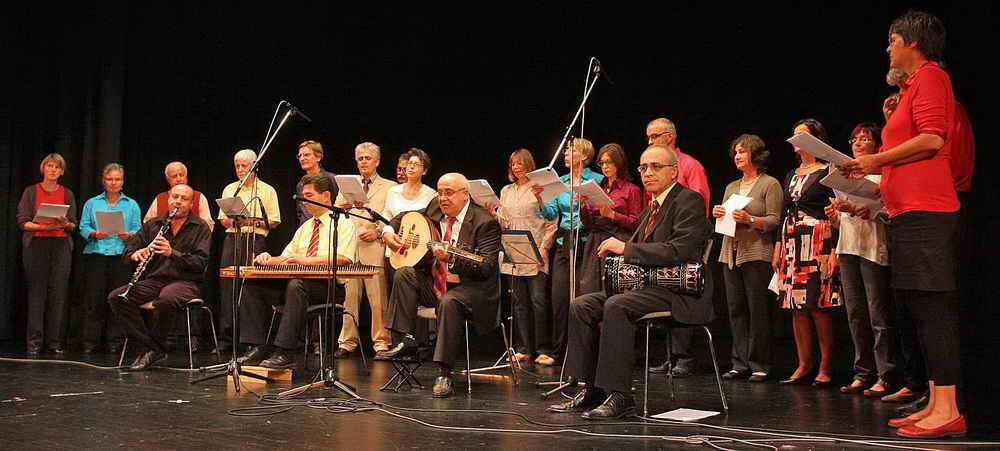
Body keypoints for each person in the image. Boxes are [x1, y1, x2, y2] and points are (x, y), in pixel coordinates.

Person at [840, 11, 965, 438]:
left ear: (912, 42)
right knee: (918, 309)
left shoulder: (931, 77)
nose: (888, 48)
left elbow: (933, 138)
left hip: (929, 212)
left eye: (892, 41)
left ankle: (947, 408)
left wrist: (874, 160)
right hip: (907, 213)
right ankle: (934, 401)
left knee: (933, 309)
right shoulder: (911, 88)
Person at [548, 145, 711, 419]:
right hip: (646, 286)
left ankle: (620, 395)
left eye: (655, 167)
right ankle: (591, 388)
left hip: (678, 289)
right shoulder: (652, 207)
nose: (648, 173)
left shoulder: (688, 201)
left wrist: (625, 249)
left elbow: (678, 250)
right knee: (582, 305)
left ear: (674, 171)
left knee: (617, 305)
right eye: (643, 168)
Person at [378, 173, 502, 398]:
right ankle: (407, 338)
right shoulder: (436, 207)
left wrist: (452, 259)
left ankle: (444, 373)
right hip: (438, 284)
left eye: (449, 193)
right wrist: (387, 232)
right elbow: (404, 216)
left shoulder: (485, 222)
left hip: (473, 290)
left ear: (465, 195)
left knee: (449, 302)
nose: (442, 198)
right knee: (404, 273)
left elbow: (486, 267)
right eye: (440, 192)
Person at [236, 174, 358, 369]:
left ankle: (285, 352)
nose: (303, 200)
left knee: (296, 285)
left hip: (327, 287)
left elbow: (344, 258)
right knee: (254, 284)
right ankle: (258, 346)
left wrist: (307, 261)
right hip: (298, 284)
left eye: (308, 195)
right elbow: (288, 256)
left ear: (326, 196)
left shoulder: (343, 224)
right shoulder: (306, 226)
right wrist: (268, 258)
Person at [827, 124, 900, 398]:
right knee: (855, 314)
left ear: (876, 145)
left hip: (873, 249)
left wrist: (867, 210)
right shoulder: (844, 178)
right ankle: (862, 372)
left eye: (865, 139)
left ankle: (887, 374)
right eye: (854, 139)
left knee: (878, 316)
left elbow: (889, 212)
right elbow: (841, 222)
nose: (858, 143)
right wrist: (837, 214)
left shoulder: (883, 177)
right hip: (848, 248)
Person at [108, 184, 212, 371]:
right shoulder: (154, 224)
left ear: (191, 204)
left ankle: (151, 350)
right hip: (155, 280)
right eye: (175, 197)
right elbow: (128, 251)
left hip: (186, 281)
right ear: (169, 199)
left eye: (184, 198)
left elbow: (200, 263)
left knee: (166, 299)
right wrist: (135, 254)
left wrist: (172, 253)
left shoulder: (200, 227)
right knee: (117, 297)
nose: (178, 201)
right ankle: (153, 348)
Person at [774, 119, 841, 388]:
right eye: (794, 135)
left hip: (818, 242)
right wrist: (778, 247)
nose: (796, 140)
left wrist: (835, 249)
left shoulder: (829, 171)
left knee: (818, 306)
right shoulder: (792, 174)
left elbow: (838, 212)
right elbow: (783, 213)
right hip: (791, 243)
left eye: (802, 135)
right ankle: (804, 364)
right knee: (796, 306)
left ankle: (825, 367)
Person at [713, 135, 782, 382]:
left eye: (742, 152)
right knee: (735, 309)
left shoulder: (769, 184)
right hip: (730, 252)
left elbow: (775, 219)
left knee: (758, 309)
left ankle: (760, 363)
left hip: (756, 253)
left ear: (756, 155)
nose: (737, 156)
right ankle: (739, 363)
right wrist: (718, 212)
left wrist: (751, 219)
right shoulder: (731, 187)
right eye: (735, 152)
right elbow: (725, 218)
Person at [646, 117, 710, 377]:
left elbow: (699, 203)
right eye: (648, 137)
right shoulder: (652, 171)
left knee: (679, 288)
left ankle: (684, 356)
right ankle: (670, 355)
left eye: (654, 137)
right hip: (663, 243)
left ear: (669, 137)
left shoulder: (690, 166)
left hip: (685, 244)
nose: (649, 142)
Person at [534, 138, 604, 366]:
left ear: (584, 156)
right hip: (565, 241)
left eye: (570, 151)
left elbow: (601, 209)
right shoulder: (561, 181)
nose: (565, 154)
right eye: (565, 151)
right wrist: (539, 196)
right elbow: (549, 212)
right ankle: (558, 351)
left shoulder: (596, 179)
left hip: (587, 241)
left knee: (583, 296)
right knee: (559, 297)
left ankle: (583, 352)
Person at [487, 149, 557, 363]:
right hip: (513, 248)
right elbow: (506, 221)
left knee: (538, 301)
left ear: (529, 164)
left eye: (520, 163)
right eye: (513, 163)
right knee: (518, 302)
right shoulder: (506, 190)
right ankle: (523, 348)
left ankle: (544, 349)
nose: (516, 167)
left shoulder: (538, 189)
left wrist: (544, 248)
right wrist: (494, 214)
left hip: (535, 248)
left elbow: (551, 222)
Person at [333, 142, 397, 357]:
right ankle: (347, 342)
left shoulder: (389, 187)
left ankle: (381, 342)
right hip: (351, 248)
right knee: (349, 297)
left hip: (374, 245)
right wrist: (346, 207)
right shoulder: (348, 185)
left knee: (378, 298)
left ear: (377, 161)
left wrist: (378, 232)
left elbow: (392, 218)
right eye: (359, 158)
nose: (363, 162)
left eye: (367, 158)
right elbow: (337, 212)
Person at [217, 149, 282, 352]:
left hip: (255, 239)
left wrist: (251, 220)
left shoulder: (267, 190)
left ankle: (250, 339)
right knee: (228, 285)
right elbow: (223, 219)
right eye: (237, 165)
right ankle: (228, 338)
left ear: (254, 166)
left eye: (243, 165)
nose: (239, 169)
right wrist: (235, 219)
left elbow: (274, 221)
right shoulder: (230, 189)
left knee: (250, 286)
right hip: (233, 238)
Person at [16, 153, 77, 355]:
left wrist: (65, 224)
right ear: (44, 168)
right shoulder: (31, 191)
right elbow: (23, 222)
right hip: (37, 245)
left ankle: (54, 342)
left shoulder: (67, 193)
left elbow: (72, 224)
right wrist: (41, 225)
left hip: (60, 245)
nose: (53, 170)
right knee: (37, 293)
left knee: (58, 293)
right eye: (49, 166)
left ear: (61, 171)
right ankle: (34, 342)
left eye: (57, 167)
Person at [79, 163, 142, 354]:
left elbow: (139, 229)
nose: (113, 183)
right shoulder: (92, 203)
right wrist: (93, 233)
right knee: (94, 300)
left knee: (118, 300)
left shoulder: (131, 204)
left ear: (122, 182)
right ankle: (90, 341)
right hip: (97, 255)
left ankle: (115, 341)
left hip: (120, 257)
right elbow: (83, 226)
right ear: (103, 181)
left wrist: (129, 235)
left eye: (117, 179)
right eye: (110, 179)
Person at [579, 143, 642, 294]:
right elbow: (588, 223)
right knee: (590, 288)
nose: (605, 167)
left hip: (618, 239)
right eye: (602, 163)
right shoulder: (597, 188)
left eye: (609, 162)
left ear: (618, 162)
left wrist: (613, 215)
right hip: (595, 241)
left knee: (613, 289)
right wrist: (582, 205)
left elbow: (636, 224)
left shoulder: (631, 189)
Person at [143, 161, 214, 231]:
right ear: (168, 180)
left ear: (186, 177)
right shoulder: (160, 198)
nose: (179, 179)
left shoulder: (199, 196)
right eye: (174, 176)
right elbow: (148, 224)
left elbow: (208, 224)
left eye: (181, 175)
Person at [295, 140, 338, 226]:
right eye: (300, 156)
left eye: (306, 155)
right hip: (307, 229)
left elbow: (338, 205)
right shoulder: (300, 184)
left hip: (327, 227)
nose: (302, 158)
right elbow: (300, 212)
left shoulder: (331, 179)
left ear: (318, 157)